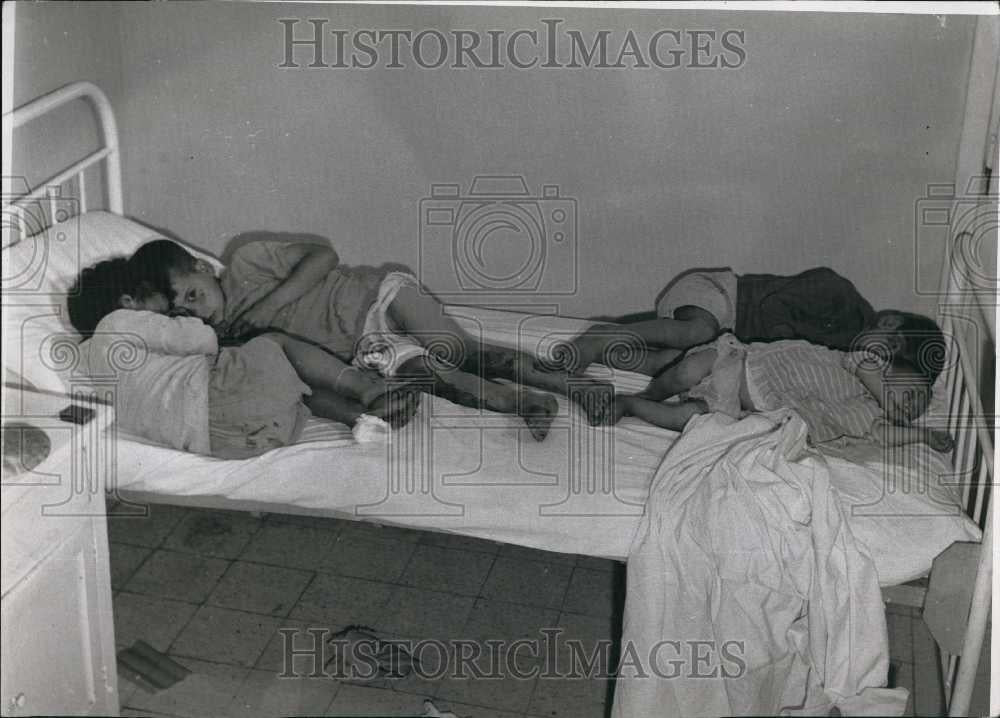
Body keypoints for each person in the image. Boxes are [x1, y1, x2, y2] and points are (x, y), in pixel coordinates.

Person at [130, 235, 619, 439]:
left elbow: (322, 255)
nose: (197, 311)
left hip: (376, 294)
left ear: (201, 268)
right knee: (435, 377)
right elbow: (300, 377)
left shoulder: (246, 260)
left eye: (194, 295)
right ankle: (524, 403)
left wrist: (271, 304)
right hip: (368, 349)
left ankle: (577, 386)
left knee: (463, 351)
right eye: (182, 312)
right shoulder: (230, 341)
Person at [68, 258, 420, 458]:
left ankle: (358, 419)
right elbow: (201, 340)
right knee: (276, 346)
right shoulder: (117, 322)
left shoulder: (87, 362)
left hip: (225, 442)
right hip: (217, 399)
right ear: (129, 302)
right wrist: (206, 332)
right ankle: (369, 392)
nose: (171, 309)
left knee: (288, 388)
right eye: (162, 302)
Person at [611, 311, 954, 451]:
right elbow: (866, 369)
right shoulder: (865, 364)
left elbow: (881, 434)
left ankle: (631, 406)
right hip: (744, 362)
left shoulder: (867, 417)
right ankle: (651, 392)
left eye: (916, 408)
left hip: (740, 404)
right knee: (685, 372)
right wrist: (890, 401)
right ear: (896, 367)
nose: (911, 405)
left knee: (688, 417)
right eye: (913, 393)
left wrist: (921, 435)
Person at [551, 266, 877, 376]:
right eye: (883, 355)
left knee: (674, 364)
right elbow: (774, 305)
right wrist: (785, 343)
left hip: (724, 335)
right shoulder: (837, 291)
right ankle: (600, 337)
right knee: (696, 332)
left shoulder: (847, 354)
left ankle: (611, 342)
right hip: (721, 294)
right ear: (888, 327)